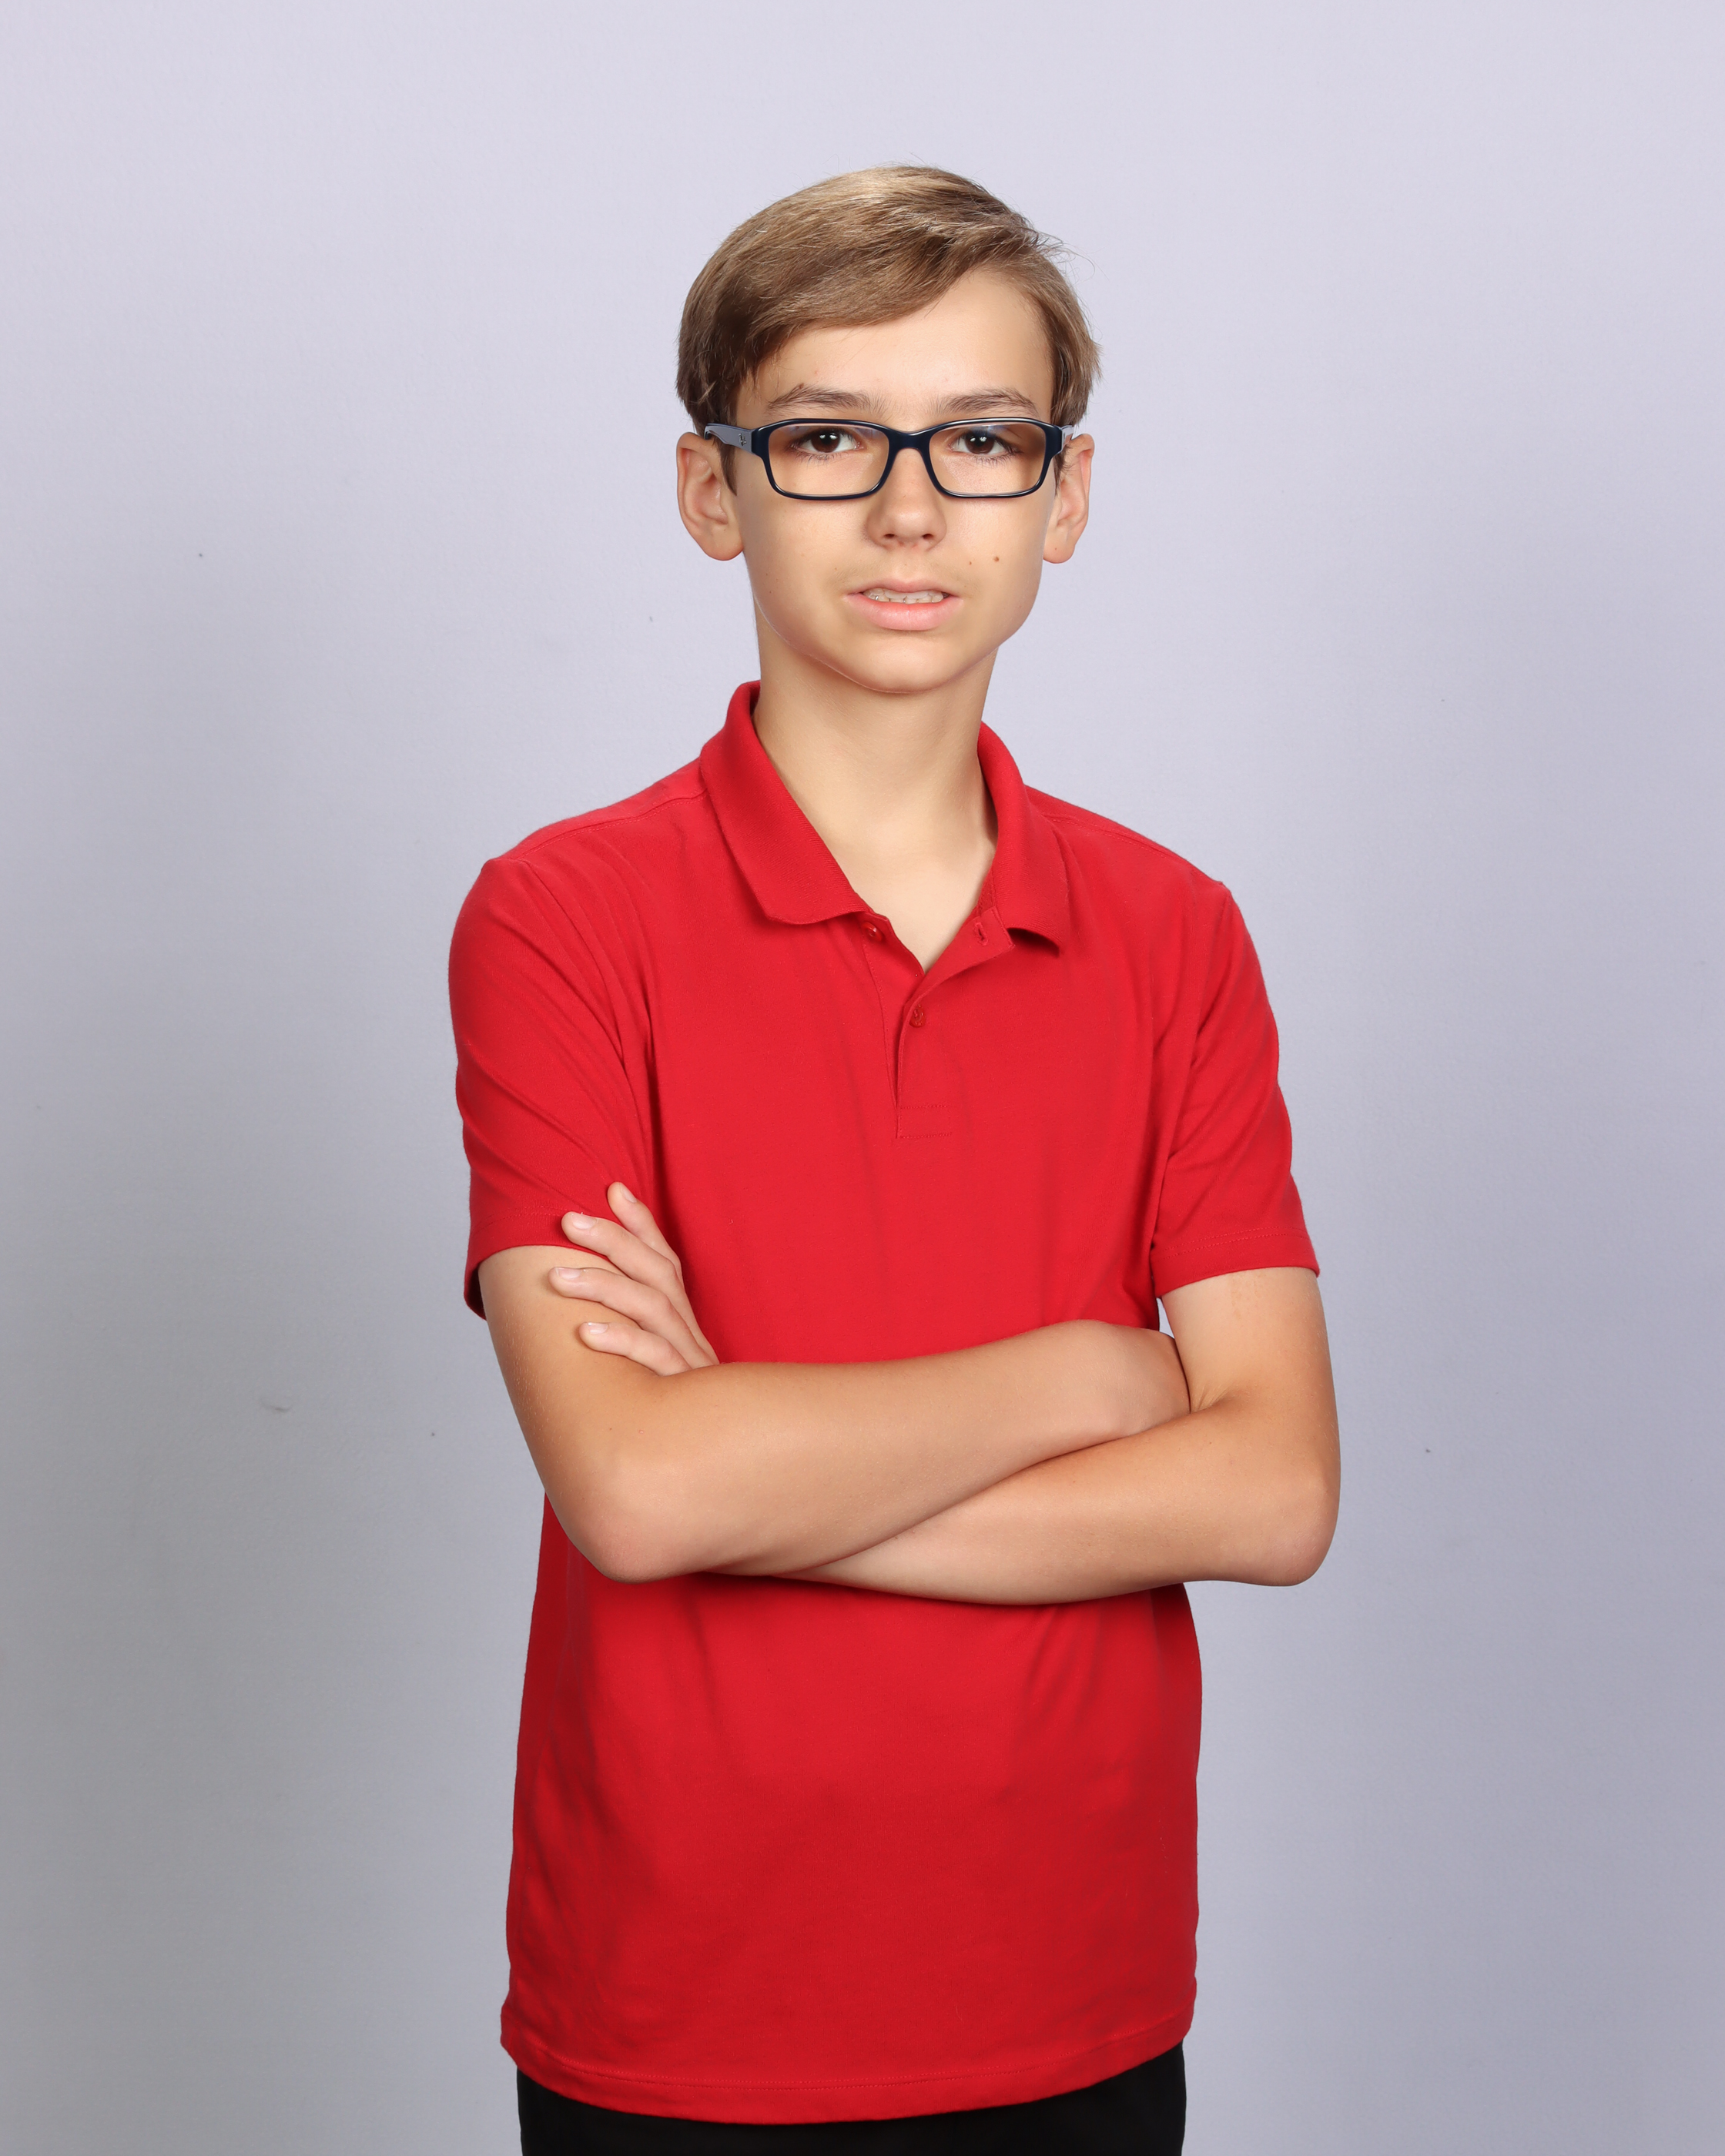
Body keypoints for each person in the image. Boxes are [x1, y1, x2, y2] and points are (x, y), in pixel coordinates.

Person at [449, 166, 1339, 2155]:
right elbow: (633, 1486)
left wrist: (754, 1474)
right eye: (831, 437)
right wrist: (1093, 1376)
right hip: (681, 1997)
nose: (914, 507)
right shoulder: (562, 919)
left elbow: (1277, 1490)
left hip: (1073, 1979)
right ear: (716, 492)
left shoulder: (1175, 933)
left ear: (1065, 497)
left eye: (983, 439)